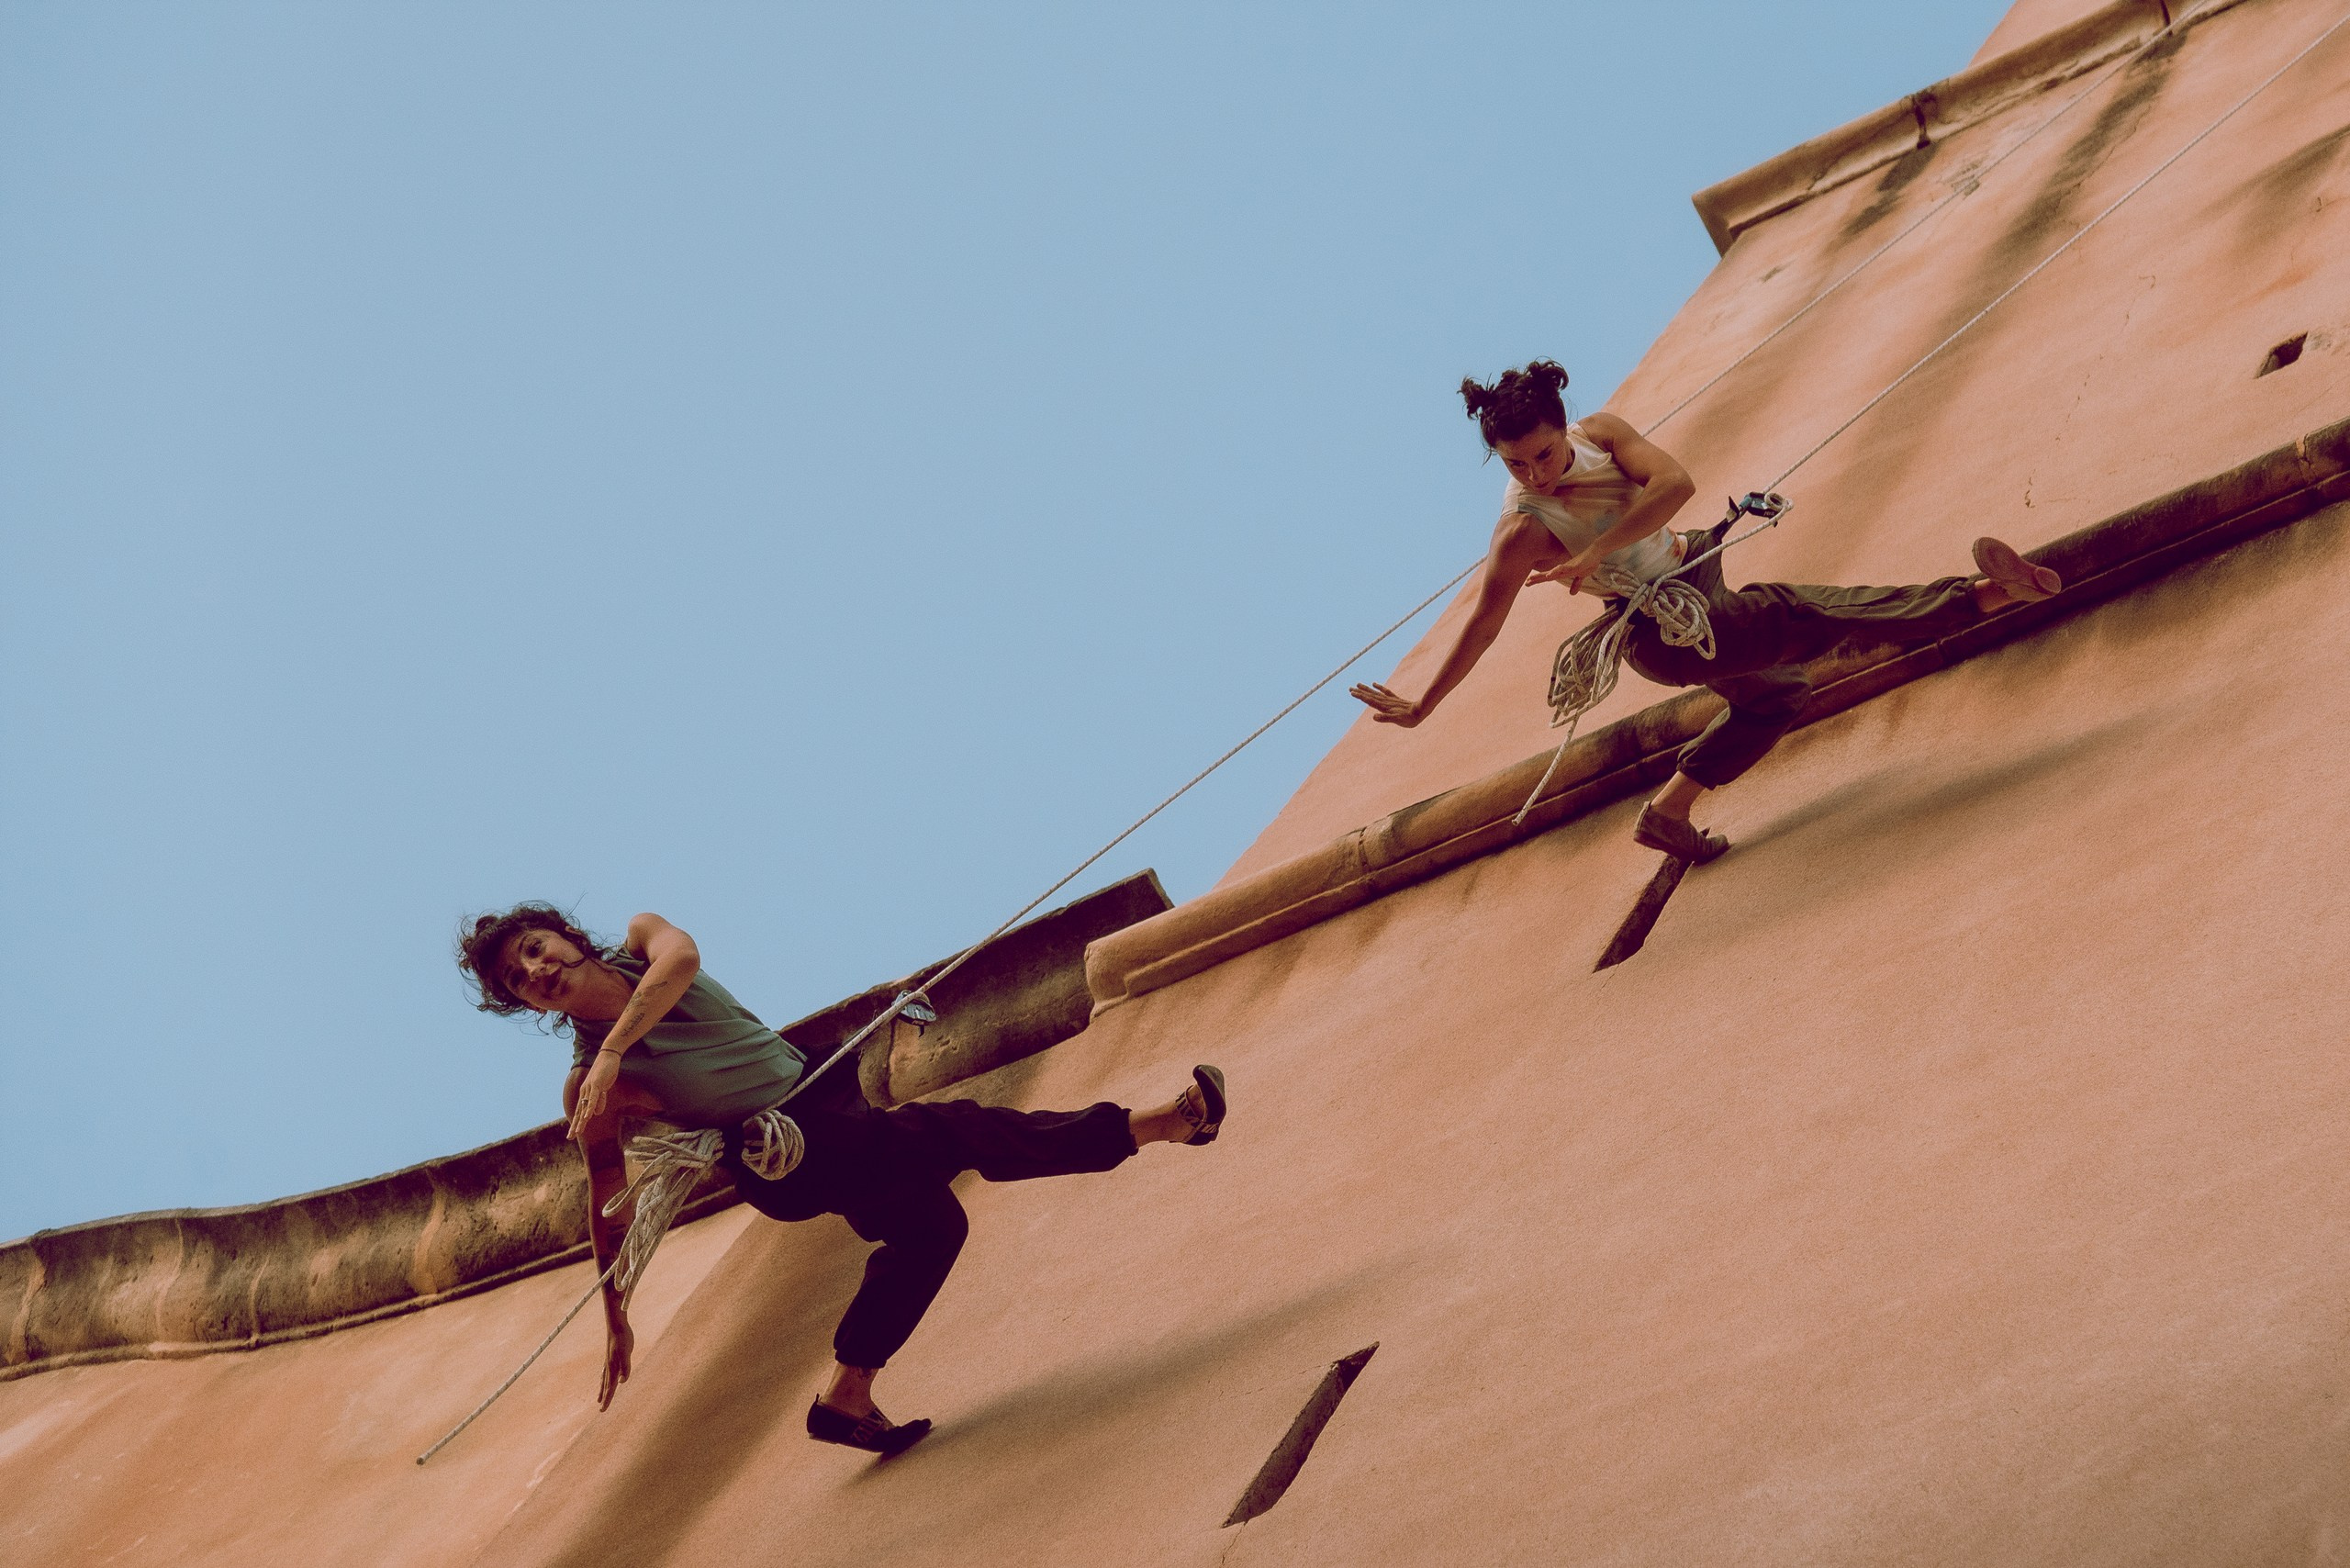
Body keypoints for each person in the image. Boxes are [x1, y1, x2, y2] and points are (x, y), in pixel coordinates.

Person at [455, 902, 1226, 1458]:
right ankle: (1157, 1124)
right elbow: (607, 1200)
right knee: (951, 1129)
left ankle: (845, 1396)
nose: (536, 969)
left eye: (532, 946)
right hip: (779, 1154)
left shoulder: (643, 939)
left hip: (826, 1098)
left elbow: (682, 961)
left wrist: (621, 1047)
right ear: (524, 1006)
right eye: (518, 980)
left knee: (932, 1229)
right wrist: (615, 1312)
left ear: (561, 931)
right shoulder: (591, 1081)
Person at [1348, 360, 2062, 861]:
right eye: (1515, 464)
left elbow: (1675, 484)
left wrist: (1598, 555)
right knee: (1802, 613)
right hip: (1667, 631)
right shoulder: (1525, 529)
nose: (1534, 473)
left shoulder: (1599, 435)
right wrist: (1425, 705)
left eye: (1540, 453)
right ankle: (1980, 596)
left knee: (1777, 698)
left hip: (1697, 573)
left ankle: (1669, 812)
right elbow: (1484, 623)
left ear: (1562, 427)